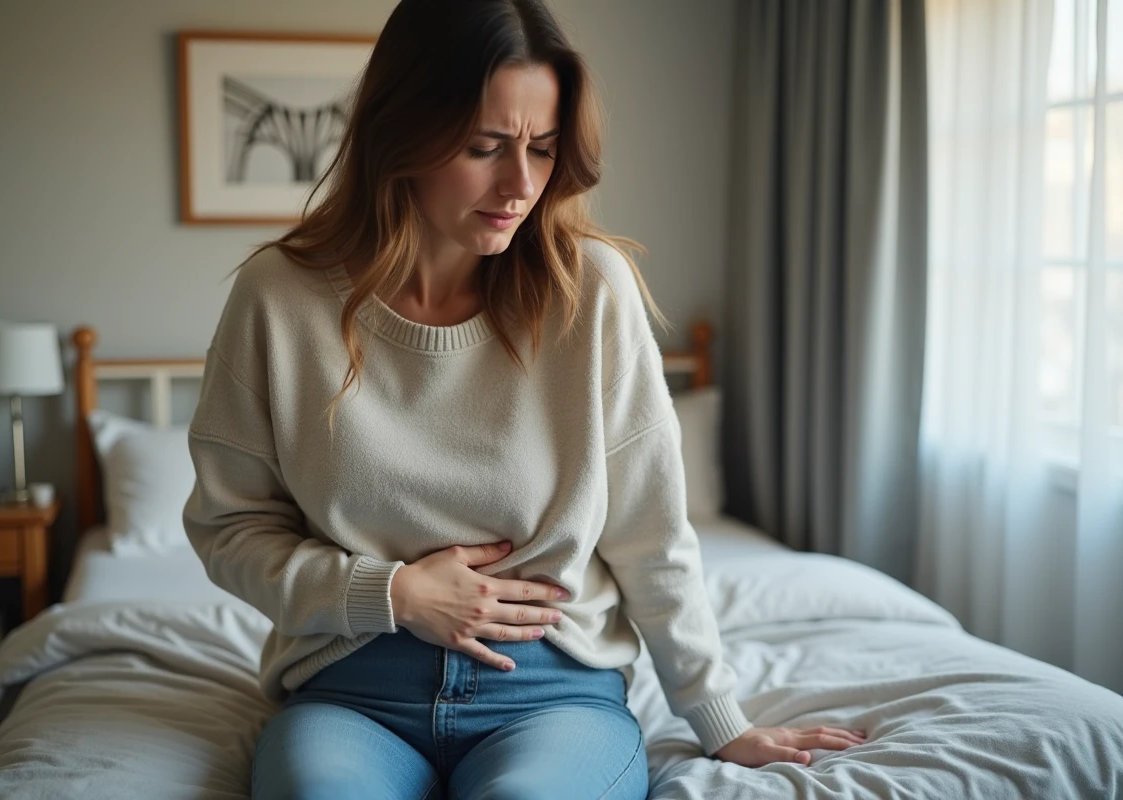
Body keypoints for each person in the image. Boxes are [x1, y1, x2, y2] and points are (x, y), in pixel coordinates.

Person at [182, 0, 865, 797]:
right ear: (400, 133)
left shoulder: (591, 293)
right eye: (485, 148)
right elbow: (229, 530)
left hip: (553, 696)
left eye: (542, 150)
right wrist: (391, 593)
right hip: (351, 690)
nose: (520, 185)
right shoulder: (279, 298)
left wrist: (721, 717)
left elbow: (652, 531)